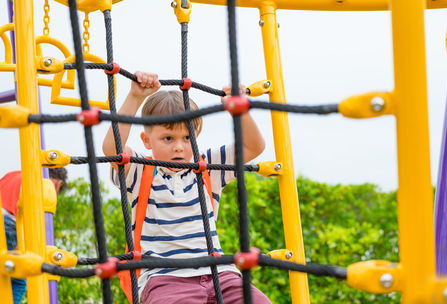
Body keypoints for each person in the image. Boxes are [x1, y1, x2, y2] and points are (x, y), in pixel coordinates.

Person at [102, 71, 270, 304]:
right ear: (147, 140)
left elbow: (254, 146)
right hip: (164, 278)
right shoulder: (141, 171)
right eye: (168, 139)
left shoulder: (207, 167)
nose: (179, 147)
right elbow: (112, 149)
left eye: (186, 138)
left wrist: (240, 111)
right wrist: (134, 97)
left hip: (219, 272)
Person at [0, 167, 67, 304]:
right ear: (57, 184)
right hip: (9, 224)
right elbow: (30, 221)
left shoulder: (15, 174)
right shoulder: (42, 185)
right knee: (18, 280)